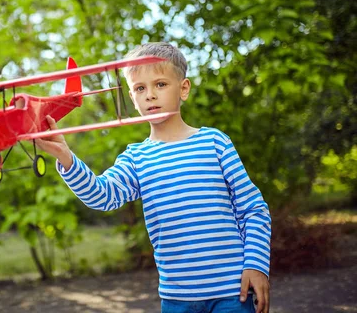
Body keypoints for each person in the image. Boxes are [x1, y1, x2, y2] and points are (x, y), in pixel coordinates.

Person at [35, 42, 271, 313]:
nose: (150, 95)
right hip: (177, 298)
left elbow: (253, 209)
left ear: (183, 88)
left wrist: (256, 265)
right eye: (140, 88)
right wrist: (65, 157)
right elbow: (102, 196)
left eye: (160, 84)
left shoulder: (215, 143)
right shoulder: (136, 158)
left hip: (233, 292)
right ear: (133, 98)